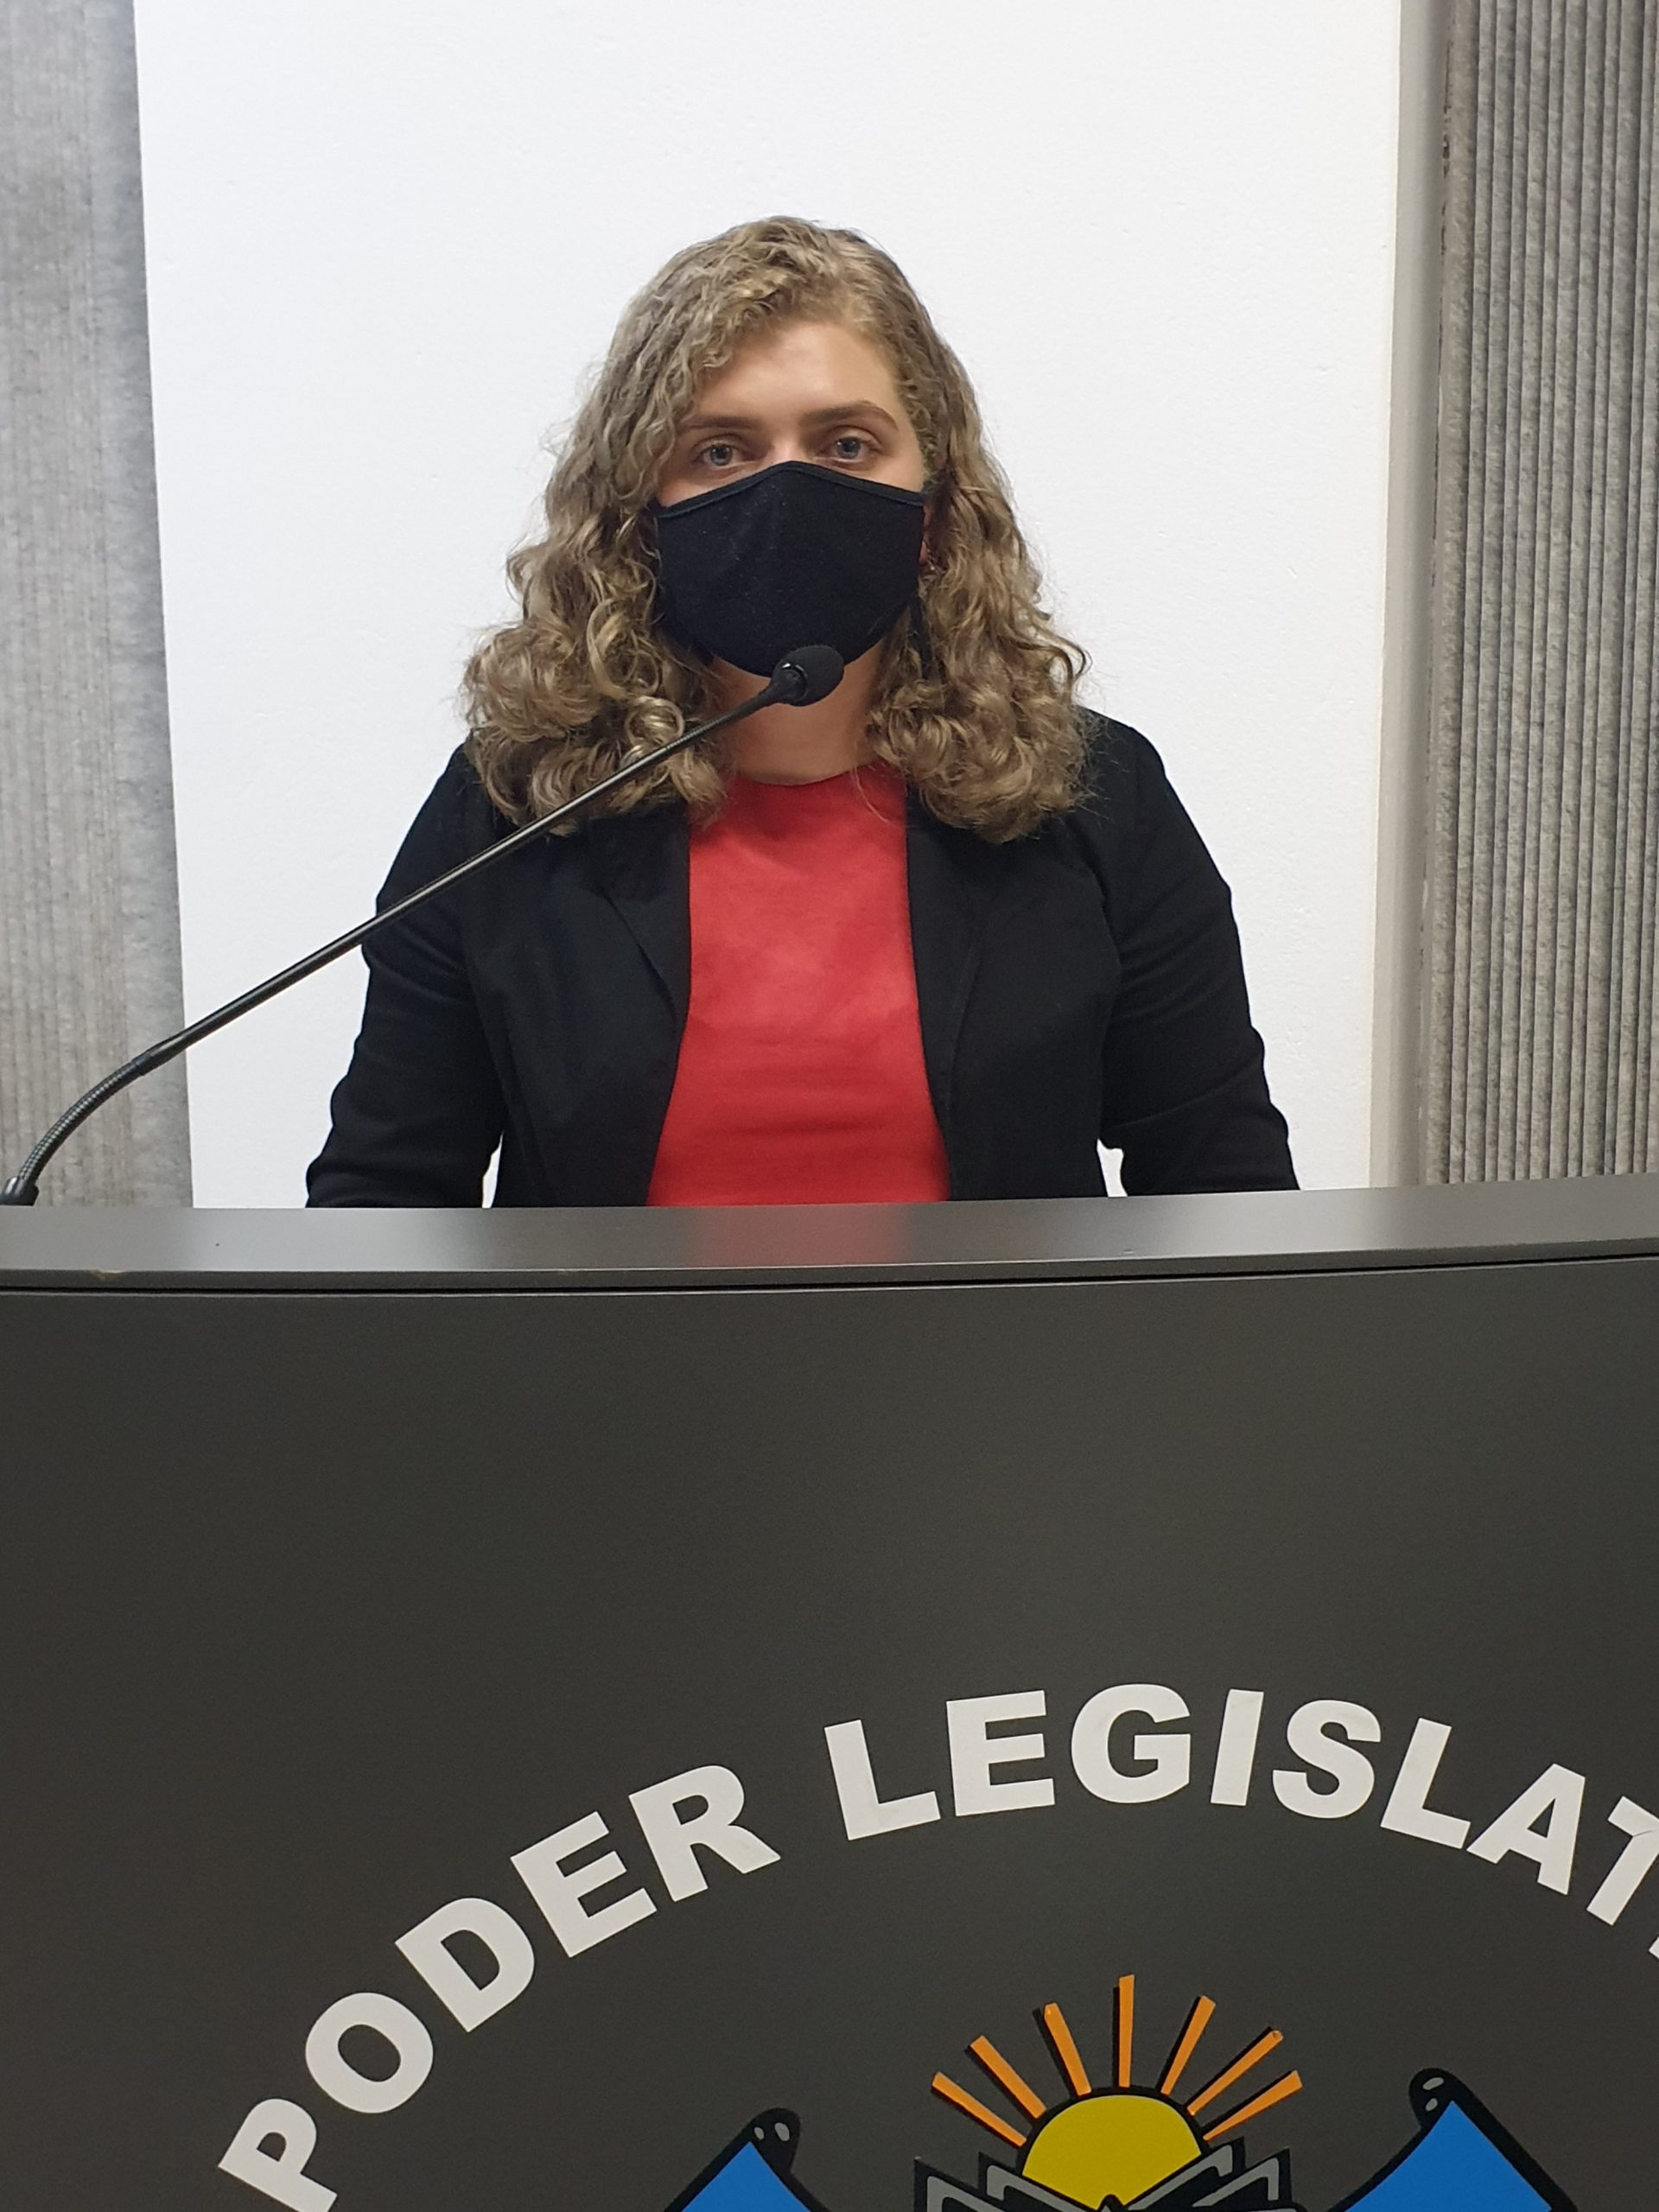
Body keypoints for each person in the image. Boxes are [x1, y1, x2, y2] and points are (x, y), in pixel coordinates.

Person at [306, 218, 1295, 1208]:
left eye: (846, 445)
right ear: (642, 515)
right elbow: (383, 1203)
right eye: (722, 451)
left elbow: (1223, 1196)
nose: (787, 491)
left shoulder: (1095, 798)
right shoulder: (513, 806)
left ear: (933, 504)